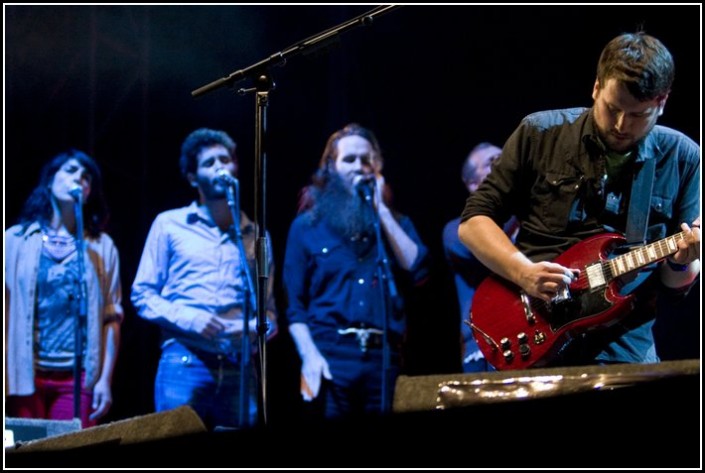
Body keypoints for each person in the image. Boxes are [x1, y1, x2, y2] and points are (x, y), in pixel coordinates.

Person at [459, 32, 700, 370]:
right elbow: (472, 223)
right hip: (535, 335)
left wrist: (681, 261)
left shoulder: (684, 157)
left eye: (637, 115)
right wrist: (523, 272)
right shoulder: (539, 132)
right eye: (612, 109)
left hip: (623, 350)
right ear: (596, 87)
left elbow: (677, 284)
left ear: (661, 103)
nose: (620, 125)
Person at [131, 128, 278, 430]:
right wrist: (190, 318)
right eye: (210, 163)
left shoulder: (257, 235)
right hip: (185, 360)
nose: (220, 167)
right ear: (193, 177)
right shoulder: (169, 224)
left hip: (240, 365)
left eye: (225, 159)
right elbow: (142, 294)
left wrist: (252, 327)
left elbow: (269, 311)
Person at [283, 123, 431, 420]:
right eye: (349, 160)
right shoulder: (307, 226)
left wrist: (383, 212)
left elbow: (416, 268)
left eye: (366, 160)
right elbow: (294, 307)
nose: (359, 167)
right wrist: (309, 355)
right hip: (330, 355)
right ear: (331, 167)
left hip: (385, 357)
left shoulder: (396, 223)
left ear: (377, 166)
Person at [5, 149, 123, 428]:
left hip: (78, 377)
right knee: (24, 453)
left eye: (86, 177)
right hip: (24, 374)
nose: (79, 179)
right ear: (49, 181)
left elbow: (112, 318)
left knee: (70, 456)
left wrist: (105, 379)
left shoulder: (101, 247)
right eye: (70, 171)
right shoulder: (14, 240)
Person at [442, 142, 518, 373]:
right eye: (492, 162)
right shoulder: (456, 230)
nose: (503, 164)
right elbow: (488, 244)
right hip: (485, 347)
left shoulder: (527, 217)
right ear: (474, 184)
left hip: (532, 336)